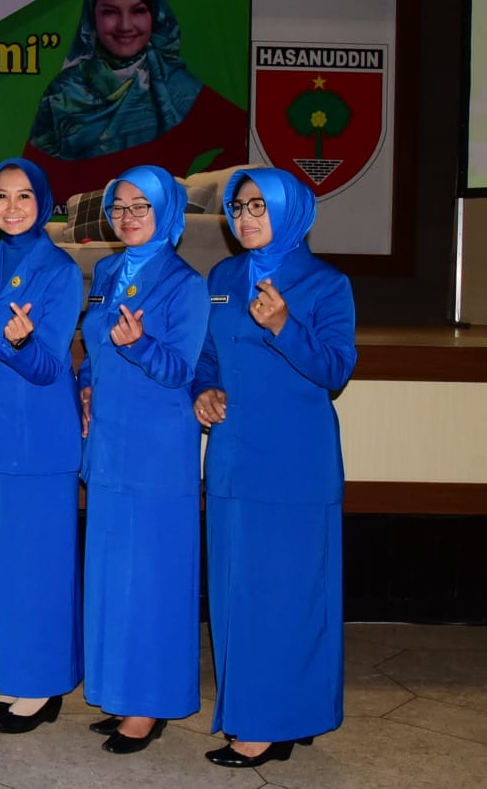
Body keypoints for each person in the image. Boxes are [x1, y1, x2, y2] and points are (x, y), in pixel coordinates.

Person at [194, 167, 355, 769]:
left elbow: (335, 369)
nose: (245, 217)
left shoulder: (326, 283)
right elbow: (206, 355)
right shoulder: (223, 277)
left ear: (292, 210)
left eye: (259, 206)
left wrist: (284, 324)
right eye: (238, 207)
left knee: (288, 597)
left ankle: (269, 724)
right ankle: (280, 712)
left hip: (294, 464)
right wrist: (203, 390)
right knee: (235, 594)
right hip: (233, 460)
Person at [77, 165, 208, 754]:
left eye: (141, 206)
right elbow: (93, 343)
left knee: (154, 581)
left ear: (167, 211)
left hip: (157, 452)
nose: (127, 217)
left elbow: (181, 370)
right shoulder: (108, 272)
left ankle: (150, 704)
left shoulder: (185, 284)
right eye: (119, 206)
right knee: (113, 579)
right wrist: (85, 383)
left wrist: (141, 346)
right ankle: (122, 691)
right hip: (109, 445)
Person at [0, 158, 84, 735]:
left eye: (24, 197)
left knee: (40, 570)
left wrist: (21, 343)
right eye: (1, 196)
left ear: (44, 203)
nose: (11, 207)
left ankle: (42, 687)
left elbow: (50, 367)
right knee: (3, 569)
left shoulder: (61, 271)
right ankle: (14, 677)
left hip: (40, 444)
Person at [24, 0, 246, 197]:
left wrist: (188, 196)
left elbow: (243, 137)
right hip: (77, 220)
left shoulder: (178, 89)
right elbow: (32, 182)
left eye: (138, 11)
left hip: (156, 221)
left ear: (155, 15)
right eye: (110, 12)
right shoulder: (62, 92)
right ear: (92, 17)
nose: (125, 25)